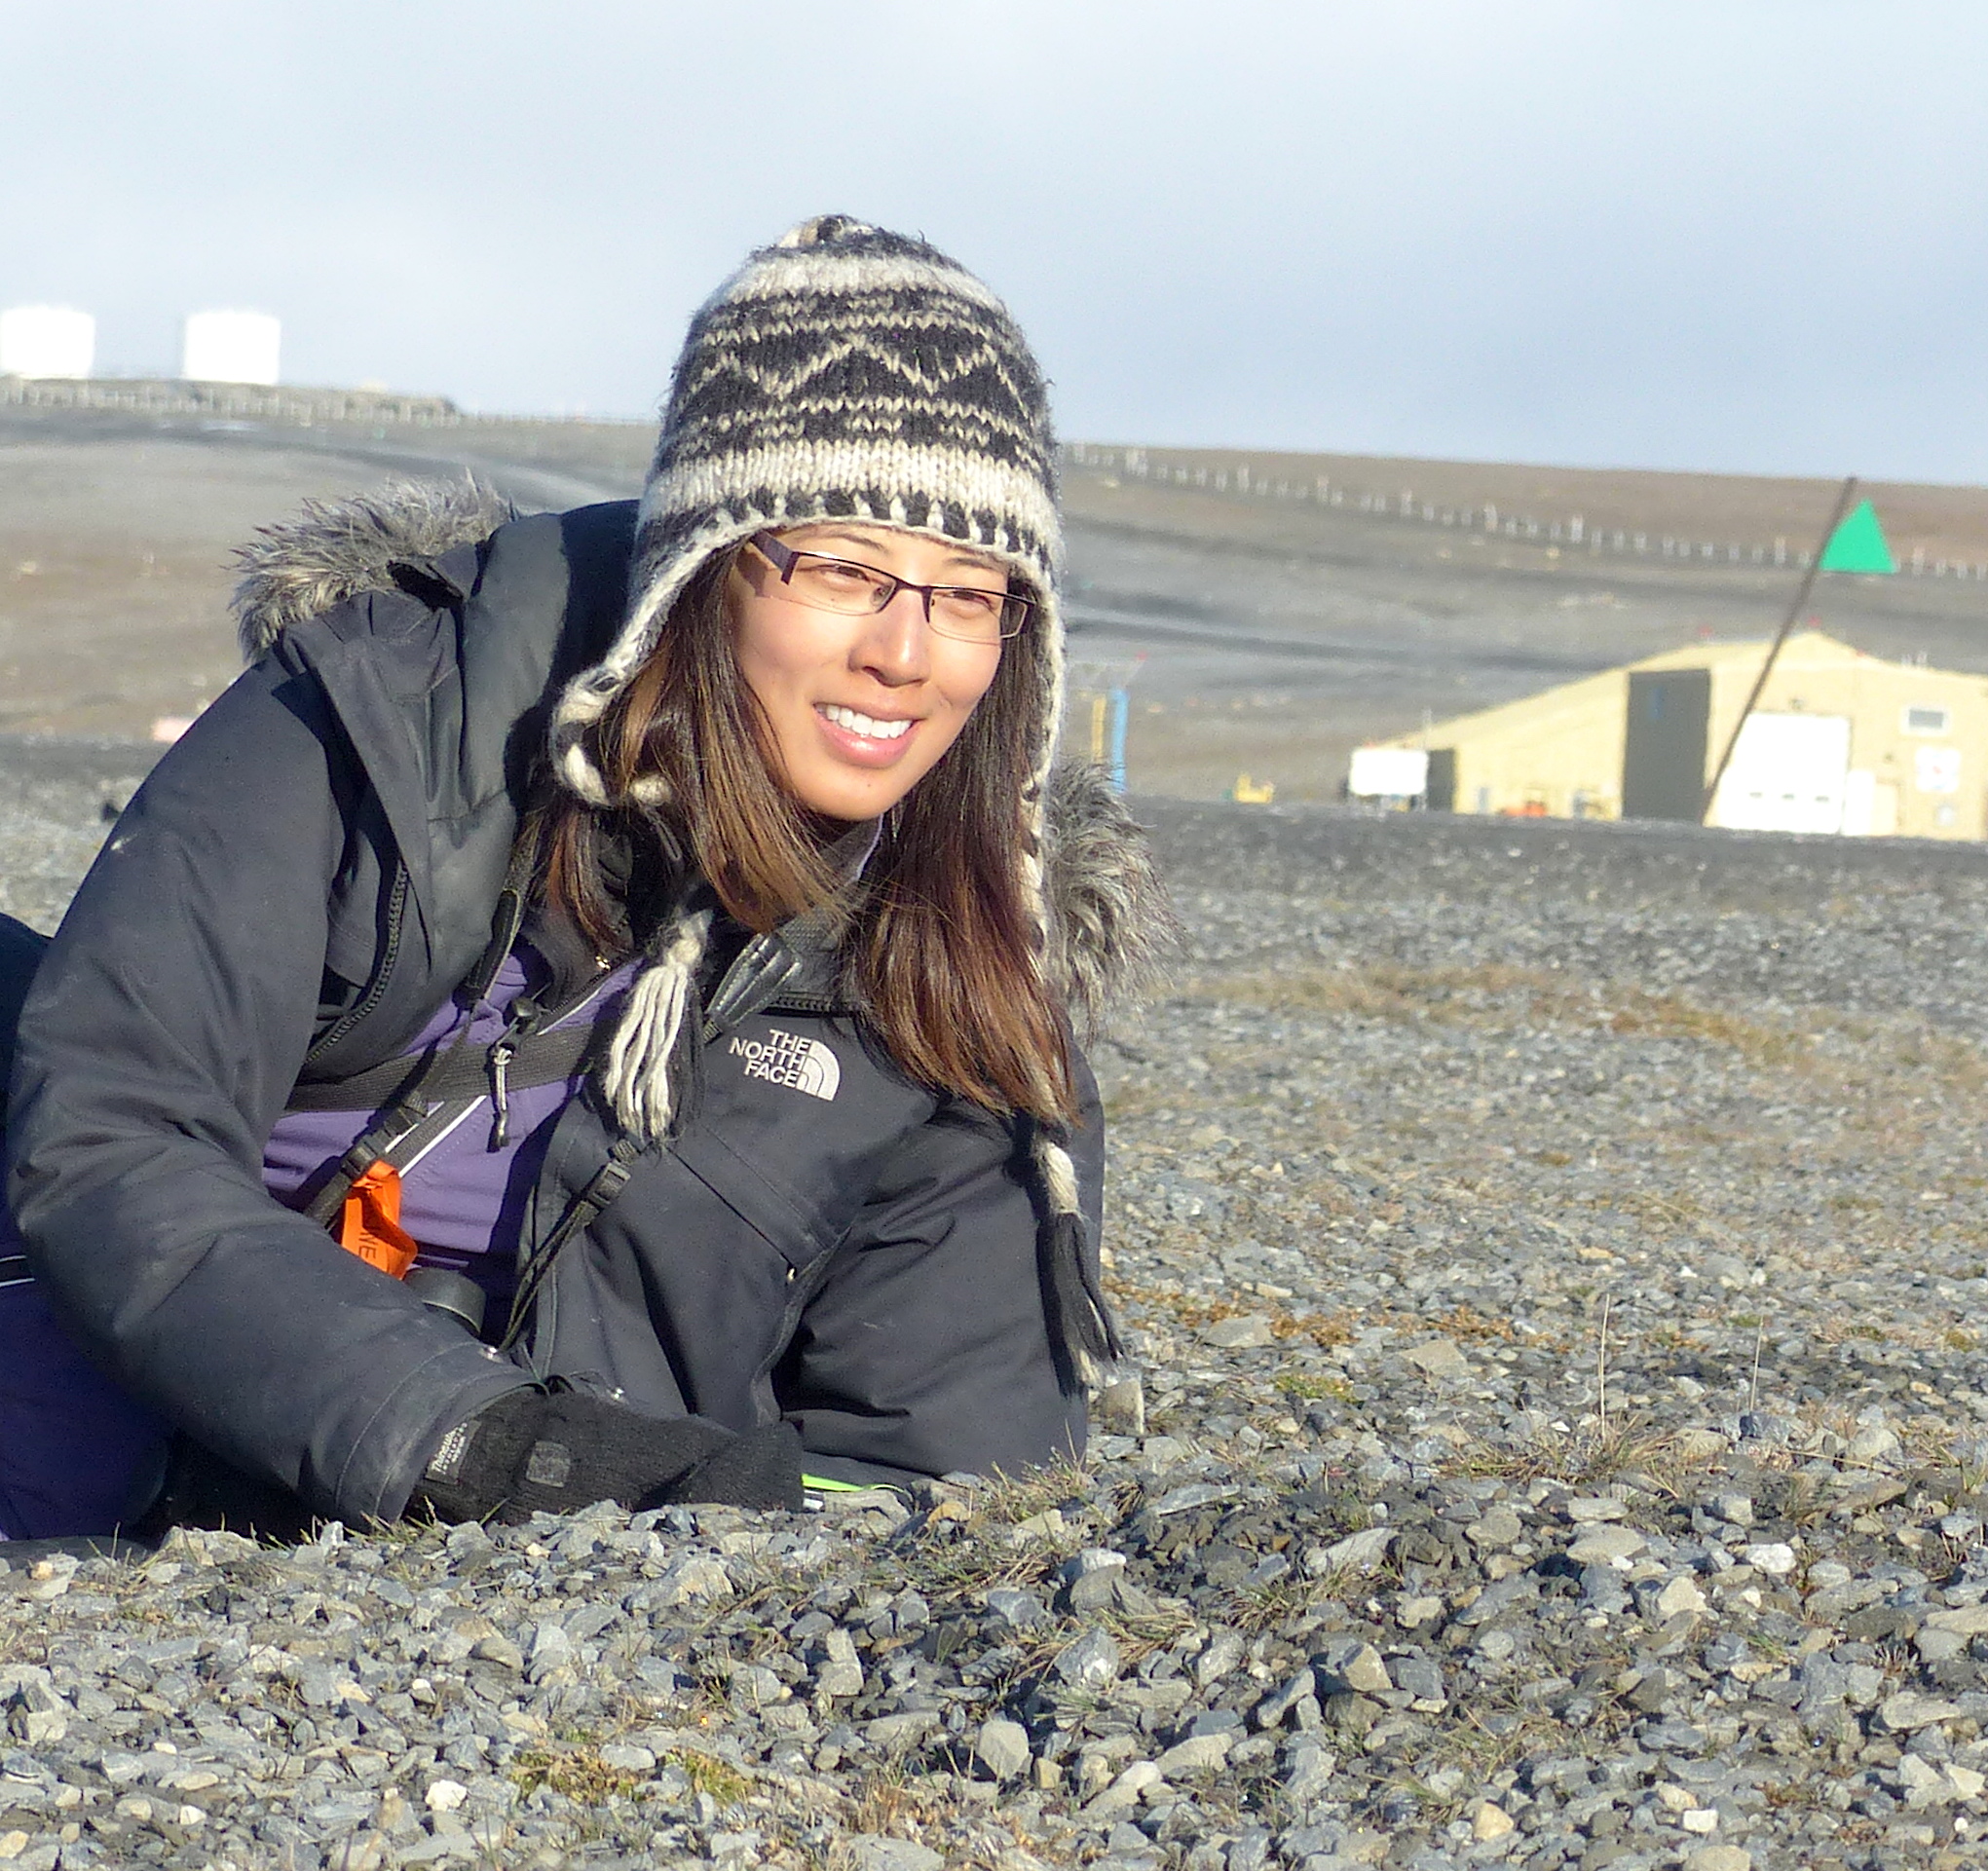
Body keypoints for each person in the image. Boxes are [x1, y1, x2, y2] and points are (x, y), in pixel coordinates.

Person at [3, 216, 1161, 1534]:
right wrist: (474, 1443)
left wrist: (655, 1510)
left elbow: (950, 1482)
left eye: (969, 593)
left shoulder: (965, 985)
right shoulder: (390, 713)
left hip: (509, 1617)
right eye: (843, 567)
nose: (908, 651)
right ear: (704, 569)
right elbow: (109, 1128)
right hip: (108, 1441)